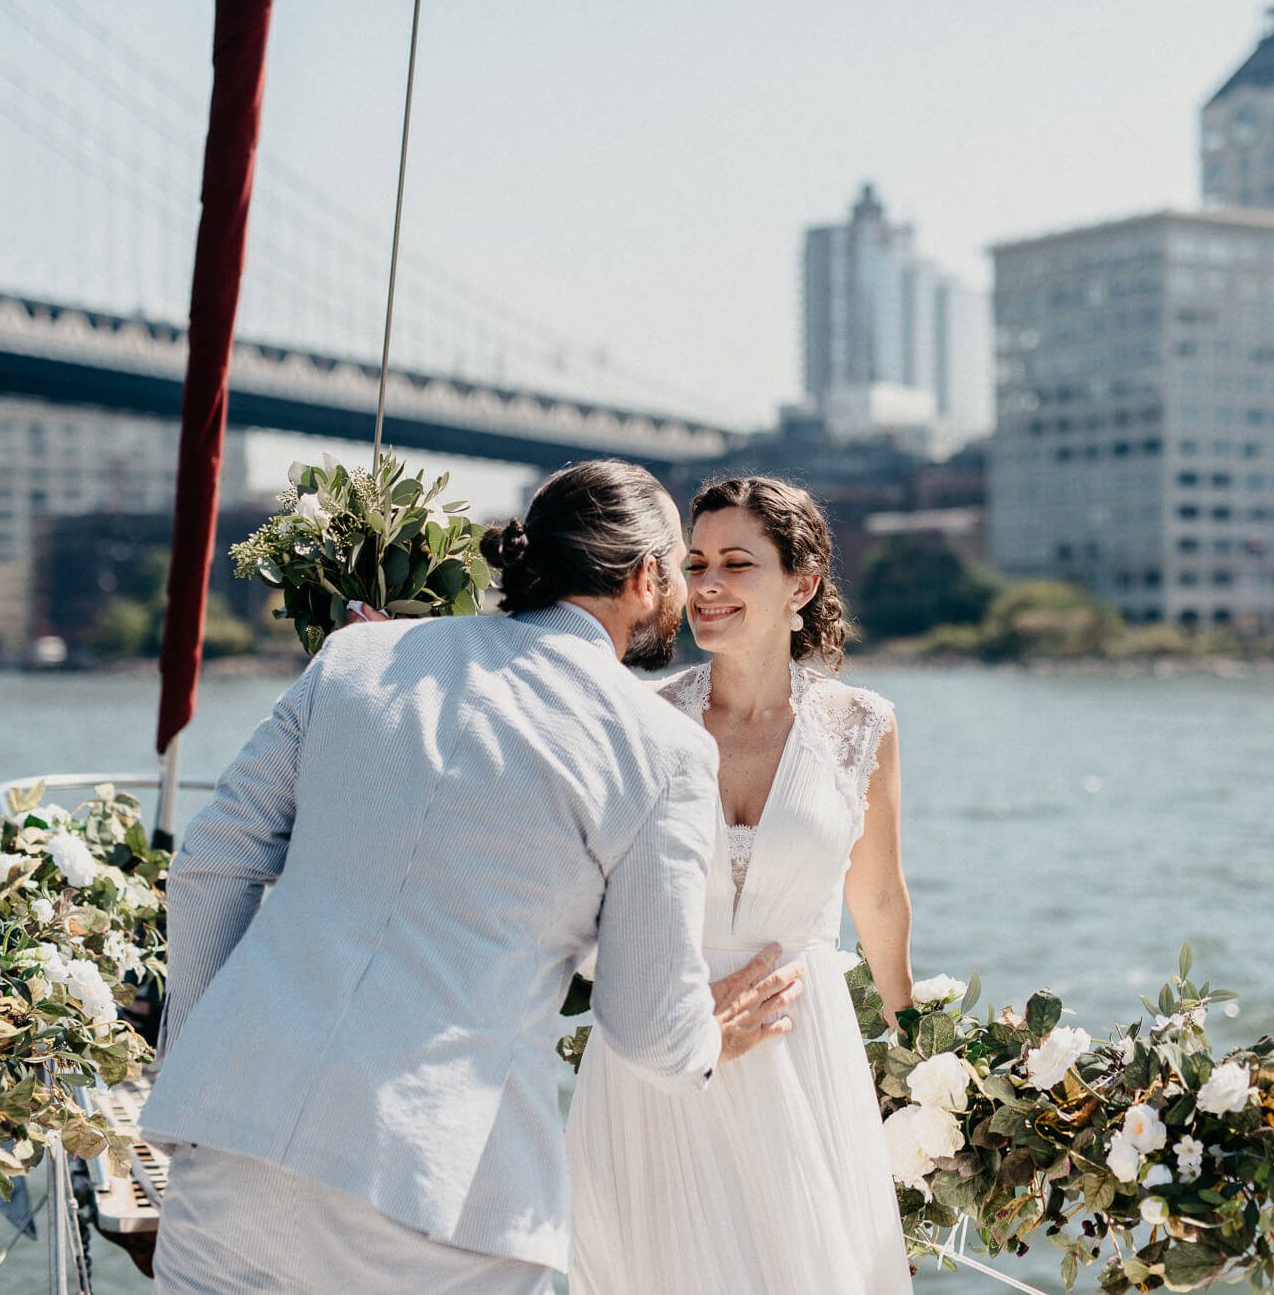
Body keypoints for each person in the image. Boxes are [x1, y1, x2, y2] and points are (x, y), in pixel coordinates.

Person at [142, 459, 805, 1295]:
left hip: (227, 1149)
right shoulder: (662, 749)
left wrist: (208, 1060)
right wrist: (707, 1040)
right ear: (646, 578)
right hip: (433, 1196)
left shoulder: (358, 657)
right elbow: (644, 1025)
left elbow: (212, 860)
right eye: (679, 566)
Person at [567, 475, 916, 1294]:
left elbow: (879, 902)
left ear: (802, 583)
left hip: (802, 1052)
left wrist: (913, 1053)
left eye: (736, 562)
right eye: (694, 562)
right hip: (663, 1052)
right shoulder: (641, 717)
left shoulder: (863, 724)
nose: (708, 584)